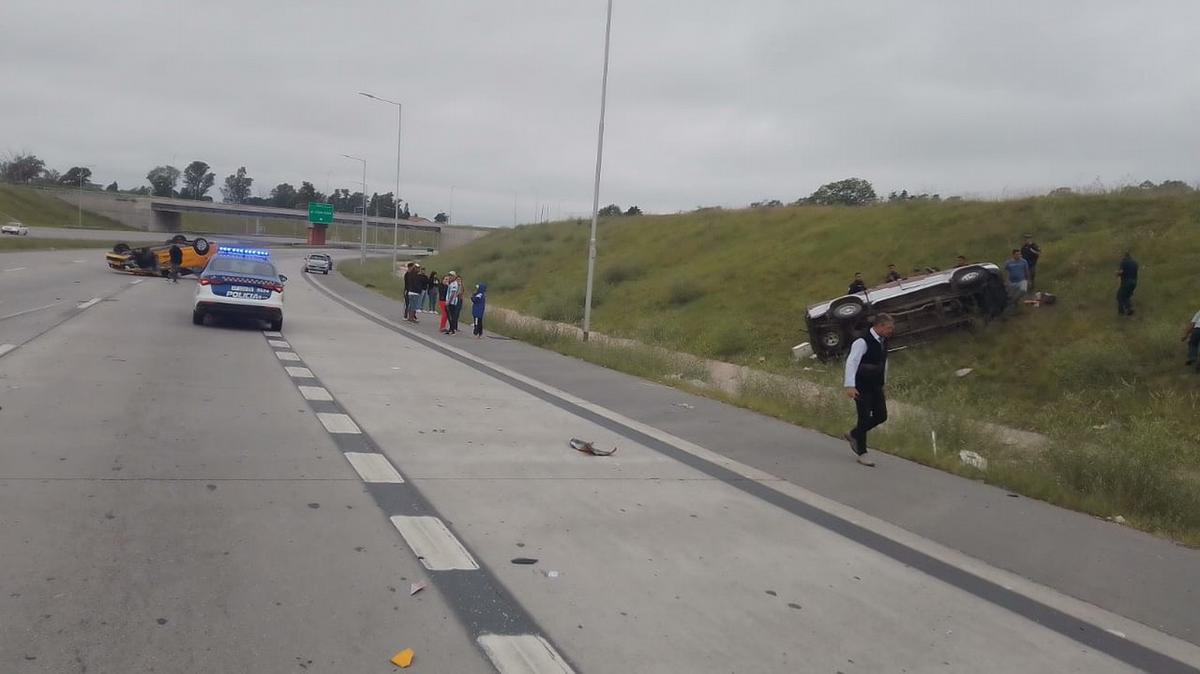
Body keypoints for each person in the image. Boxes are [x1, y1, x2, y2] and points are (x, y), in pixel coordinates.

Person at [842, 313, 895, 467]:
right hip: (862, 385)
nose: (891, 331)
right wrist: (850, 385)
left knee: (881, 415)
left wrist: (884, 382)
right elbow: (852, 362)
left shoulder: (884, 341)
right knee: (864, 417)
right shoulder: (862, 341)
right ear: (879, 326)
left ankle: (854, 434)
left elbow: (883, 362)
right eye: (888, 328)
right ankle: (862, 453)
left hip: (876, 384)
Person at [1116, 252, 1138, 316]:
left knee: (1120, 296)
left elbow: (1121, 272)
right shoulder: (1135, 263)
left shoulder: (1124, 262)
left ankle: (1126, 310)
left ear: (1124, 257)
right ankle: (1124, 310)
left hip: (1126, 282)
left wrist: (1117, 273)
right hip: (1134, 283)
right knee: (1126, 296)